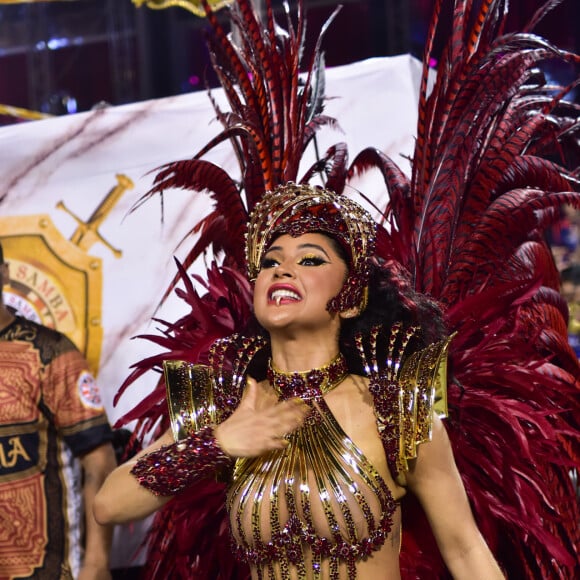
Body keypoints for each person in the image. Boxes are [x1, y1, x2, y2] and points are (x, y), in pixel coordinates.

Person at [94, 183, 505, 579]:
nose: (282, 269)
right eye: (270, 262)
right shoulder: (230, 406)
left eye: (309, 260)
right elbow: (109, 505)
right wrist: (217, 443)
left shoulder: (394, 408)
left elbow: (465, 549)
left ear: (352, 299)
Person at [0, 242, 117, 579]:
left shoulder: (50, 353)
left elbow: (100, 462)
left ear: (4, 273)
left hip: (48, 570)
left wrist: (96, 563)